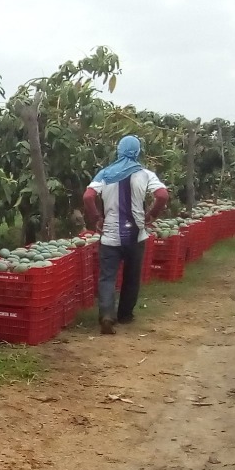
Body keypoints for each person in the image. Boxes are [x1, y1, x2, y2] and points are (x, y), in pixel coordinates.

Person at [82, 136, 170, 335]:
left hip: (110, 235)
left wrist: (97, 217)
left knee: (107, 277)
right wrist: (151, 215)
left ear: (119, 151)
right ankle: (125, 315)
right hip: (136, 234)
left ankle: (106, 315)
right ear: (138, 152)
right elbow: (162, 195)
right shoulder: (146, 174)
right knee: (132, 276)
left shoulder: (105, 174)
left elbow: (88, 196)